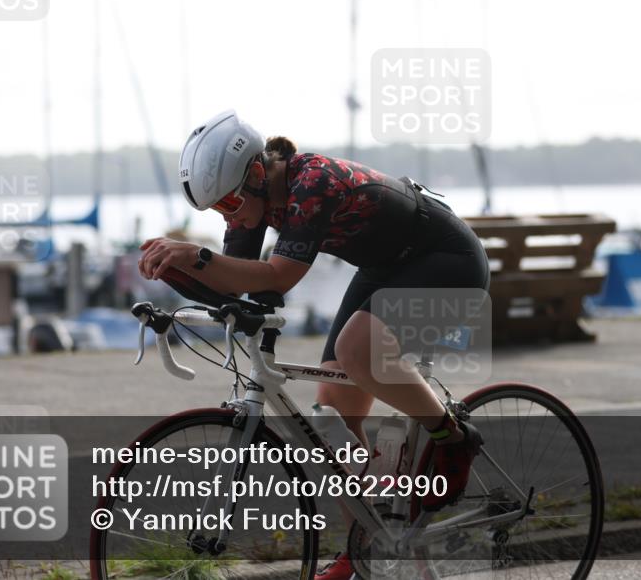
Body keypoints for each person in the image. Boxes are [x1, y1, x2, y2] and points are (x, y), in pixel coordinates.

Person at [138, 109, 490, 579]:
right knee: (334, 419)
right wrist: (177, 272)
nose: (230, 215)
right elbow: (235, 282)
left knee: (356, 351)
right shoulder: (251, 199)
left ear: (259, 173)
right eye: (219, 210)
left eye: (228, 204)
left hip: (449, 261)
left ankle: (455, 439)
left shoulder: (312, 183)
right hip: (386, 269)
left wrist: (197, 255)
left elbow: (278, 276)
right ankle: (364, 547)